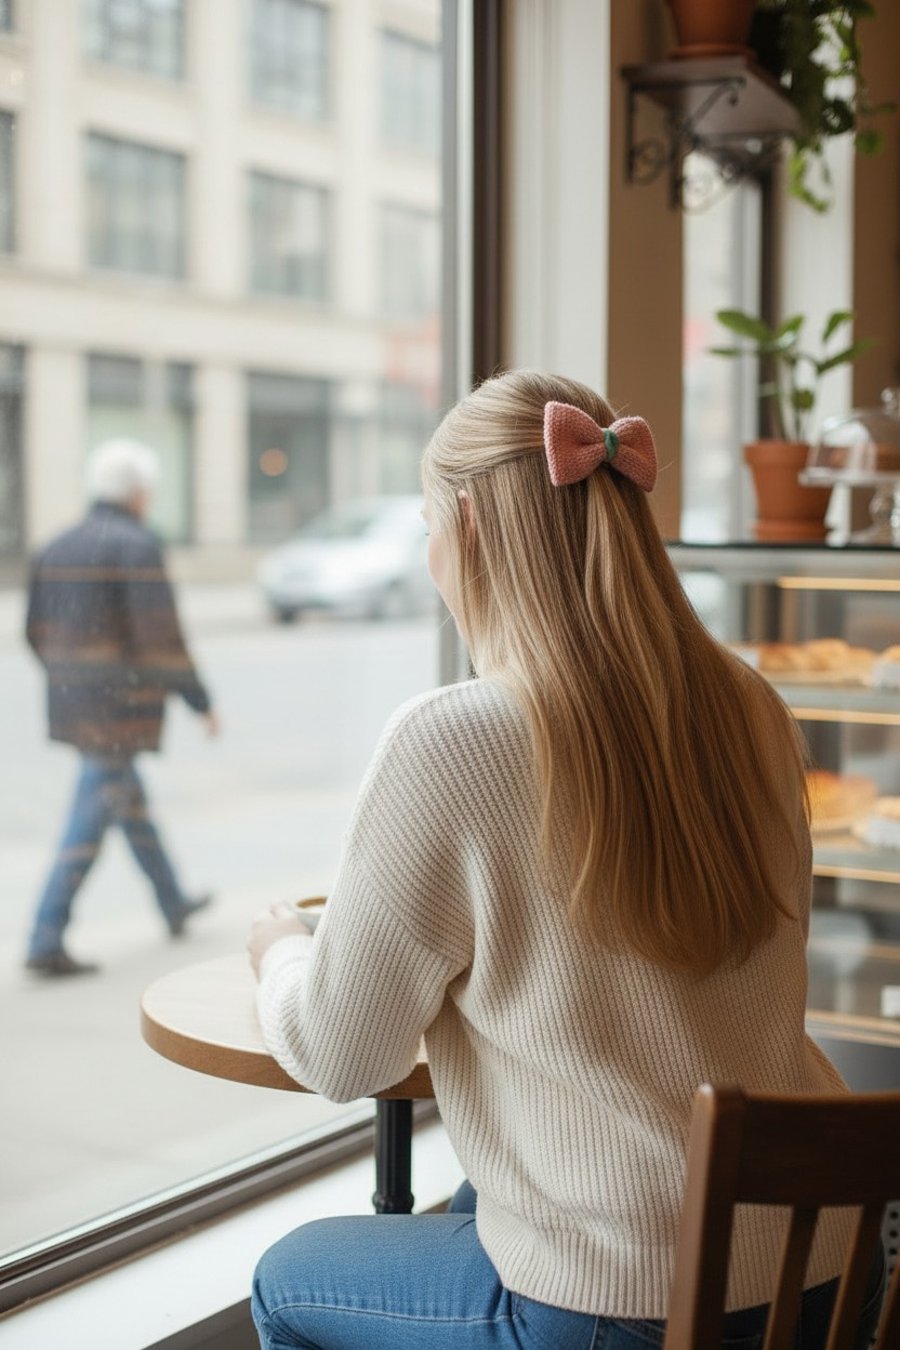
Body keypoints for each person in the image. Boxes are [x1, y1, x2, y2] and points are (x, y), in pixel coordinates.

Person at [247, 371, 885, 1349]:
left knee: (287, 1278)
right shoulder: (751, 703)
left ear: (466, 525)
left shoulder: (451, 740)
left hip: (623, 1310)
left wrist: (283, 952)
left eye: (426, 524)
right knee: (478, 1190)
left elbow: (346, 1054)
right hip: (824, 1266)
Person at [25, 438, 220, 978]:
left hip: (75, 702)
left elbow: (33, 631)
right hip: (119, 709)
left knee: (126, 801)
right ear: (138, 494)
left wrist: (69, 678)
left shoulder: (53, 545)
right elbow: (160, 638)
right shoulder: (137, 545)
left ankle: (172, 900)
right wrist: (199, 700)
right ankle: (45, 934)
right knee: (91, 815)